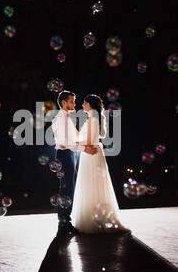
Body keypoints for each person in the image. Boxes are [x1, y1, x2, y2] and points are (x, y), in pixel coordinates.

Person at [69, 94, 131, 234]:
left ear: (90, 104)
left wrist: (71, 143)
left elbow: (89, 140)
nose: (82, 105)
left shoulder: (92, 118)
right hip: (91, 154)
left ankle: (93, 220)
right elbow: (86, 137)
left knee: (91, 184)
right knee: (93, 185)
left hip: (91, 154)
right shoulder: (92, 118)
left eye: (84, 103)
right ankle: (95, 217)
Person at [51, 91, 98, 235]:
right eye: (72, 101)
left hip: (70, 154)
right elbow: (64, 142)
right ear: (64, 103)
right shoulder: (60, 118)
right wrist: (85, 148)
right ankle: (64, 223)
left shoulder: (67, 118)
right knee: (66, 188)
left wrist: (89, 140)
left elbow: (75, 138)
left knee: (69, 187)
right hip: (65, 154)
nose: (74, 104)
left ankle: (65, 221)